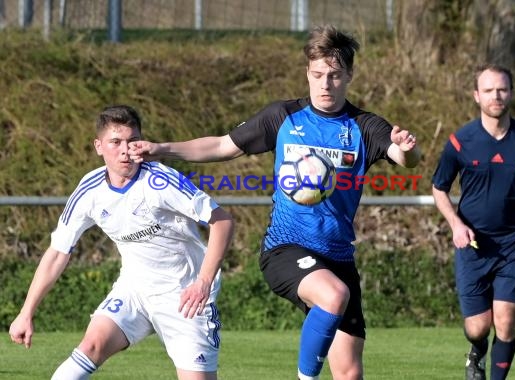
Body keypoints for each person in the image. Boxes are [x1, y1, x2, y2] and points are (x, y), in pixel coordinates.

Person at [128, 25, 421, 380]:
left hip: (338, 254)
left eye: (334, 75)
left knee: (348, 373)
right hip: (285, 248)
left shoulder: (364, 126)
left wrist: (407, 150)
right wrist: (162, 149)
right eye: (318, 75)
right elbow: (222, 146)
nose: (325, 84)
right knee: (333, 294)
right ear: (307, 73)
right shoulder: (284, 117)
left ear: (349, 76)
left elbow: (403, 157)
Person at [8, 105, 234, 380]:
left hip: (184, 296)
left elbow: (222, 221)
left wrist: (203, 282)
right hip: (134, 291)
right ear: (99, 146)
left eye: (132, 140)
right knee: (90, 346)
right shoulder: (89, 190)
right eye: (115, 142)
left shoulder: (160, 181)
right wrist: (26, 312)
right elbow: (57, 253)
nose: (125, 150)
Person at [431, 64, 515, 380]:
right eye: (488, 90)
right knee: (479, 327)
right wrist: (456, 225)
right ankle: (476, 351)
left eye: (502, 89)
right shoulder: (461, 141)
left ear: (511, 93)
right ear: (477, 96)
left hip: (514, 244)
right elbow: (439, 188)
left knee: (505, 318)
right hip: (473, 245)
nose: (496, 96)